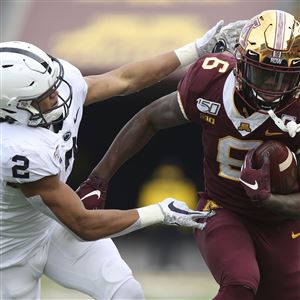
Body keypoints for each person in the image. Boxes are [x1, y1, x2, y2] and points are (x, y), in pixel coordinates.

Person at [0, 20, 246, 300]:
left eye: (53, 86)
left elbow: (123, 79)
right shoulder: (15, 148)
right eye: (45, 96)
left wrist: (195, 49)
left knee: (127, 293)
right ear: (14, 108)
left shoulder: (58, 85)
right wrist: (159, 213)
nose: (58, 97)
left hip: (51, 227)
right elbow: (83, 224)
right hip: (9, 250)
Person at [84, 10, 300, 300]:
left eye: (280, 78)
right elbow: (149, 117)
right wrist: (98, 178)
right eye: (262, 73)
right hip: (222, 208)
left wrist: (268, 199)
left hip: (280, 222)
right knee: (240, 281)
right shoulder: (210, 82)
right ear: (240, 61)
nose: (269, 90)